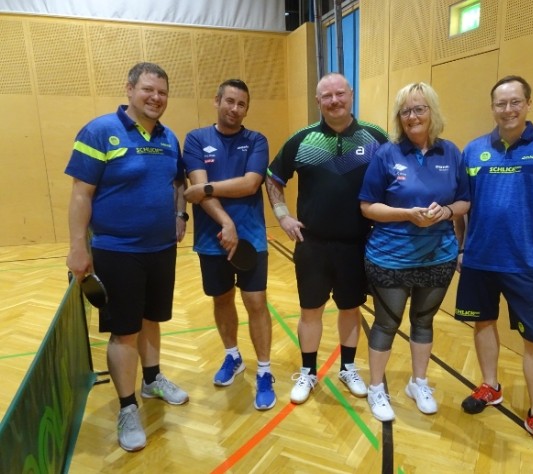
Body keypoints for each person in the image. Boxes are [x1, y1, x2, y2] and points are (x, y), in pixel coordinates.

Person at [454, 75, 533, 458]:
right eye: (501, 103)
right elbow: (461, 206)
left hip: (528, 265)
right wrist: (461, 248)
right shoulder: (474, 150)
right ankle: (490, 386)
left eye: (515, 102)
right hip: (479, 260)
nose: (508, 109)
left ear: (528, 104)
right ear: (492, 107)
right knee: (483, 323)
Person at [65, 62, 189, 453]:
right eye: (148, 90)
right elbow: (81, 194)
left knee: (151, 319)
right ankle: (127, 406)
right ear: (130, 89)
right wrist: (78, 247)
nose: (156, 98)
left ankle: (151, 380)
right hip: (117, 251)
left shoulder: (169, 137)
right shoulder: (100, 131)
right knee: (125, 331)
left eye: (162, 92)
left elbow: (177, 182)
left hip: (161, 250)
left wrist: (180, 215)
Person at [265, 73, 388, 404]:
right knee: (310, 310)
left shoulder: (376, 138)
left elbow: (394, 179)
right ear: (318, 101)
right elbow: (273, 178)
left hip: (357, 243)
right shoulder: (302, 139)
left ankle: (348, 368)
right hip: (313, 244)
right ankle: (308, 371)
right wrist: (283, 216)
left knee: (350, 309)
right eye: (327, 96)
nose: (335, 101)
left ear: (351, 94)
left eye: (340, 94)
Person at [359, 82, 470, 422]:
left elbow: (464, 201)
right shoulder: (387, 154)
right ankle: (376, 388)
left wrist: (446, 212)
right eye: (405, 111)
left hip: (438, 256)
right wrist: (406, 214)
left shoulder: (451, 153)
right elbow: (367, 206)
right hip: (390, 257)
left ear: (431, 112)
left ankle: (418, 383)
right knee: (386, 324)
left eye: (419, 108)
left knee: (423, 321)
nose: (412, 116)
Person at [181, 79, 275, 410]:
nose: (235, 109)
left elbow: (250, 184)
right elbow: (195, 186)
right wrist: (226, 222)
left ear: (246, 109)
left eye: (241, 104)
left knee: (256, 301)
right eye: (230, 101)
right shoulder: (196, 139)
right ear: (217, 100)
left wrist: (207, 189)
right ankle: (232, 356)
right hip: (213, 240)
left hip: (252, 239)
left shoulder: (256, 140)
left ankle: (264, 370)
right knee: (221, 299)